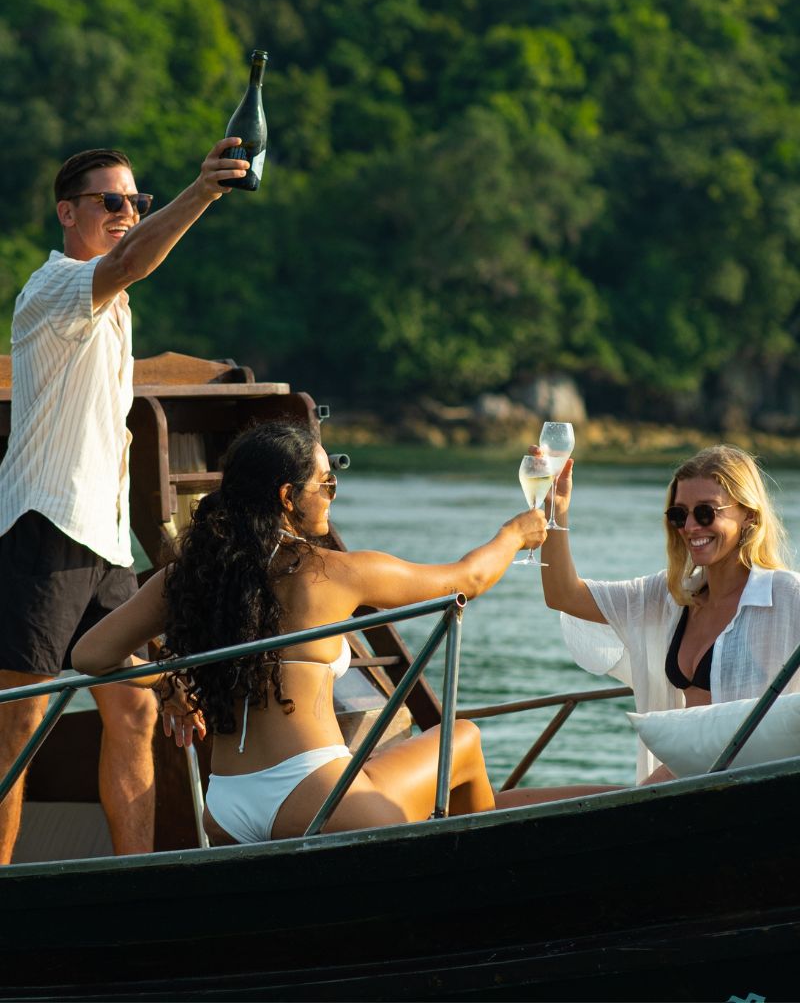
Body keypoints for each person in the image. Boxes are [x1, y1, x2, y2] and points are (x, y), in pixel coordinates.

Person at [73, 421, 614, 845]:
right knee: (464, 740)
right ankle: (478, 886)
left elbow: (91, 655)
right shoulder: (331, 571)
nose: (333, 492)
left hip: (227, 806)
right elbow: (466, 579)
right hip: (313, 796)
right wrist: (515, 534)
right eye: (326, 482)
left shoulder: (186, 576)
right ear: (288, 496)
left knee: (406, 767)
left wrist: (170, 688)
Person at [0, 136, 252, 863]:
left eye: (136, 202)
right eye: (112, 202)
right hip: (44, 526)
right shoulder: (51, 288)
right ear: (66, 213)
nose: (127, 213)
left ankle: (135, 876)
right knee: (17, 723)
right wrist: (201, 191)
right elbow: (128, 261)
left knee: (137, 710)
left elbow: (126, 277)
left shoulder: (112, 303)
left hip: (107, 540)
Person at [538, 443, 800, 782]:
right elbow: (563, 594)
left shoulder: (785, 596)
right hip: (682, 786)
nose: (690, 527)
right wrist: (555, 512)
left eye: (705, 513)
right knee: (501, 806)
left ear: (748, 514)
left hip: (748, 792)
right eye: (679, 515)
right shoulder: (668, 597)